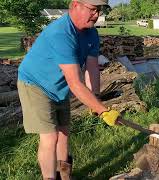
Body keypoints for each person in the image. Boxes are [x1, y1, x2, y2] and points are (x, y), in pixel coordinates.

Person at [17, 0, 119, 179]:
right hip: (35, 84)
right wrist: (103, 111)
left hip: (59, 86)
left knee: (63, 134)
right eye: (93, 9)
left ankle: (64, 176)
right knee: (50, 137)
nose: (97, 15)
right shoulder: (61, 33)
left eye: (99, 10)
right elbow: (75, 83)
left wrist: (95, 98)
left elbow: (92, 67)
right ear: (75, 5)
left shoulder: (91, 34)